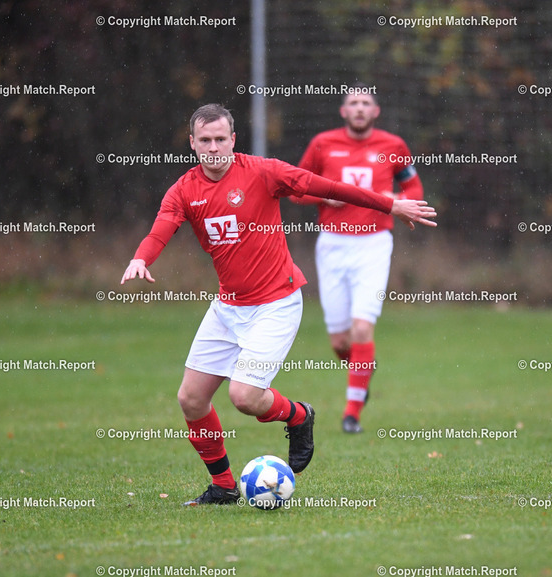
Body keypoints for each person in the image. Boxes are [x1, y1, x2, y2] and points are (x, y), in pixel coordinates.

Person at [120, 103, 436, 505]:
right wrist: (141, 259)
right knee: (191, 399)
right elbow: (160, 230)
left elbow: (328, 187)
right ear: (193, 143)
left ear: (233, 140)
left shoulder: (263, 172)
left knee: (245, 398)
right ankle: (223, 487)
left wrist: (390, 204)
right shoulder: (184, 190)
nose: (214, 147)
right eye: (205, 140)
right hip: (228, 308)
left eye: (221, 139)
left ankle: (299, 416)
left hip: (276, 303)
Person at [295, 84, 426, 434]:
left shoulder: (393, 146)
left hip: (374, 244)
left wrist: (394, 198)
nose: (359, 108)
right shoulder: (323, 143)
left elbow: (414, 189)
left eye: (366, 103)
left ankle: (352, 413)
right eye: (353, 102)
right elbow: (296, 189)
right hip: (332, 245)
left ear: (375, 111)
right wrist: (324, 196)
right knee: (340, 342)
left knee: (362, 328)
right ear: (343, 111)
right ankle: (362, 370)